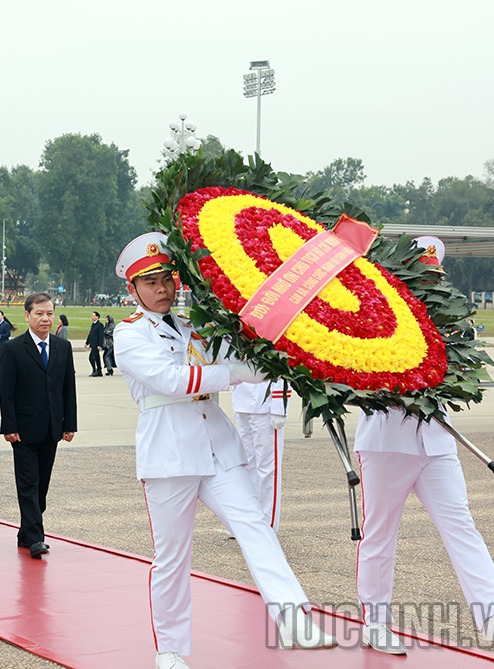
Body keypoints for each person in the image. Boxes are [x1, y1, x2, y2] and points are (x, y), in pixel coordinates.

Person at [113, 233, 335, 669]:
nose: (162, 289)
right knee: (173, 556)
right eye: (150, 282)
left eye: (166, 280)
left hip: (217, 446)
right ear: (132, 289)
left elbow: (243, 350)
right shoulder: (129, 334)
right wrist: (233, 373)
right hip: (169, 452)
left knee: (255, 526)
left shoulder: (196, 325)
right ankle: (170, 649)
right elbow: (172, 382)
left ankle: (295, 619)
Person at [354, 408, 494, 653]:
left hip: (437, 439)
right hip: (386, 443)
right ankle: (376, 623)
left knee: (462, 526)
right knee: (379, 533)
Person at [0, 292, 77, 559]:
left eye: (49, 313)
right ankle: (35, 538)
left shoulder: (62, 347)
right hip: (23, 429)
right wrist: (8, 425)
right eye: (40, 313)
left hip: (52, 428)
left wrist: (70, 424)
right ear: (27, 316)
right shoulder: (12, 348)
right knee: (28, 483)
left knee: (42, 485)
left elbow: (68, 389)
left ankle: (26, 531)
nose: (45, 318)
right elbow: (6, 392)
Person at [230, 380, 288, 532]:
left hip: (266, 404)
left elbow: (282, 369)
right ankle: (250, 521)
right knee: (247, 466)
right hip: (242, 401)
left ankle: (267, 524)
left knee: (268, 469)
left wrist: (279, 406)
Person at [85, 311, 104, 377]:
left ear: (97, 317)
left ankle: (95, 370)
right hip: (92, 344)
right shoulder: (93, 325)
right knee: (97, 357)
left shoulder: (100, 325)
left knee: (91, 357)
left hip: (96, 344)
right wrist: (87, 342)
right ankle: (99, 371)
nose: (92, 317)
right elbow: (90, 334)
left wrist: (100, 345)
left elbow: (101, 336)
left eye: (93, 316)